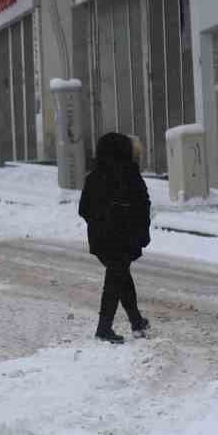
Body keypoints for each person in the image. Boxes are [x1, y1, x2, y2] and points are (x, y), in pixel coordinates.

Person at [78, 132, 152, 344]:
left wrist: (100, 221)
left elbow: (83, 209)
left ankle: (136, 322)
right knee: (115, 280)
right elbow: (142, 205)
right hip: (124, 238)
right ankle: (103, 329)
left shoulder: (93, 177)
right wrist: (136, 229)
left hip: (101, 239)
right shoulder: (129, 175)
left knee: (120, 277)